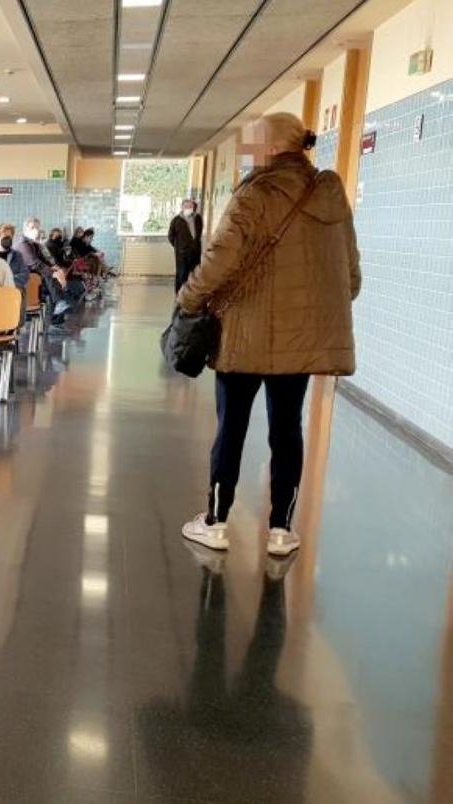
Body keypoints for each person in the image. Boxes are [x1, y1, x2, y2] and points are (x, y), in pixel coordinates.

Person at [178, 112, 360, 557]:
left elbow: (220, 260)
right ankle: (281, 528)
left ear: (271, 147)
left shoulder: (254, 195)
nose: (246, 153)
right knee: (287, 428)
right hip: (300, 342)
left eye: (251, 144)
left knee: (232, 426)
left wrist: (188, 298)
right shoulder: (330, 193)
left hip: (244, 335)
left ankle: (217, 521)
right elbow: (350, 275)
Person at [168, 199, 204, 292]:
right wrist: (179, 247)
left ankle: (192, 297)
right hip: (182, 254)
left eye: (191, 207)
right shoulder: (176, 220)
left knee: (195, 275)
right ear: (182, 207)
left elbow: (198, 234)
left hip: (195, 253)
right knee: (181, 275)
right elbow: (170, 236)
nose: (189, 208)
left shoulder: (198, 218)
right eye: (187, 206)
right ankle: (179, 296)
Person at [0, 222, 29, 290]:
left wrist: (6, 282)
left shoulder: (17, 255)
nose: (8, 239)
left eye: (10, 237)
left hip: (12, 292)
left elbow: (24, 275)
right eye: (5, 236)